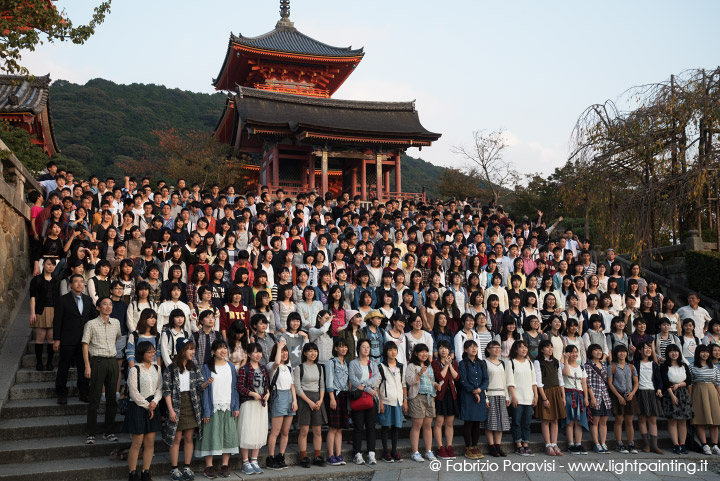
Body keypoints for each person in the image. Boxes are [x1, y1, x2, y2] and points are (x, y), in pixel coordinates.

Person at [163, 338, 211, 481]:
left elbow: (198, 386)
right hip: (177, 404)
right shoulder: (171, 369)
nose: (192, 352)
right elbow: (166, 391)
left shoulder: (194, 367)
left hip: (192, 404)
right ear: (182, 351)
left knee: (189, 437)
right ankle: (174, 469)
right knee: (176, 438)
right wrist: (171, 410)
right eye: (190, 349)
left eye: (193, 349)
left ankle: (187, 467)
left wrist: (206, 384)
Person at [194, 339, 239, 479]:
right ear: (213, 351)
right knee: (210, 436)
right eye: (219, 348)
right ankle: (209, 466)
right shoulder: (207, 367)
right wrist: (206, 410)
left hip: (227, 406)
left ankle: (225, 465)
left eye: (225, 348)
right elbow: (203, 390)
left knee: (228, 436)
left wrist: (235, 406)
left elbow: (234, 388)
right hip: (213, 407)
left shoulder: (231, 367)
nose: (223, 351)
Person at [82, 296, 122, 445]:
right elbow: (85, 344)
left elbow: (117, 338)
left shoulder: (116, 323)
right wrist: (87, 365)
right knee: (94, 399)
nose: (108, 306)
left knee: (112, 398)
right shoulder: (91, 324)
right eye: (104, 304)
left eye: (110, 304)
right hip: (97, 361)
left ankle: (108, 431)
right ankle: (90, 433)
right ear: (98, 307)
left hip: (112, 361)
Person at [54, 274, 97, 405]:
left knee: (83, 366)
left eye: (81, 282)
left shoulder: (88, 300)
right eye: (76, 281)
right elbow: (57, 321)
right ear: (70, 284)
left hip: (84, 340)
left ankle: (84, 392)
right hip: (67, 339)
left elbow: (93, 319)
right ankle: (61, 393)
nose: (79, 284)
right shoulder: (63, 300)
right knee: (63, 367)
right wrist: (56, 339)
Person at [122, 341, 162, 481]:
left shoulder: (157, 368)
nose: (152, 354)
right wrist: (147, 405)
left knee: (150, 442)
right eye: (149, 352)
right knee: (137, 442)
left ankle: (146, 471)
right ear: (142, 353)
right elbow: (133, 392)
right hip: (138, 406)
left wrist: (155, 402)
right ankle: (132, 473)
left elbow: (160, 388)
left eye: (153, 352)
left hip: (153, 404)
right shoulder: (135, 369)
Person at [237, 342, 270, 475]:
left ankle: (254, 460)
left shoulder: (263, 368)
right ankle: (245, 461)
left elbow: (266, 384)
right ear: (249, 354)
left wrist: (267, 393)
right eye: (255, 352)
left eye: (259, 352)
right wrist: (252, 394)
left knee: (258, 431)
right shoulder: (244, 369)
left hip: (261, 404)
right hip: (249, 403)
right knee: (247, 431)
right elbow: (240, 387)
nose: (258, 355)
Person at [293, 342, 327, 468]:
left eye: (315, 351)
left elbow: (322, 385)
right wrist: (309, 401)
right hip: (304, 399)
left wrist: (321, 399)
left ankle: (317, 456)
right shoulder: (299, 368)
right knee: (304, 430)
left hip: (318, 399)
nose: (313, 353)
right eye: (310, 351)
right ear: (305, 353)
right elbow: (297, 387)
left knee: (318, 430)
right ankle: (303, 457)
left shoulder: (320, 368)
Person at [266, 339, 298, 470]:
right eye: (282, 351)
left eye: (286, 351)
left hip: (289, 397)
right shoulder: (271, 365)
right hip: (278, 396)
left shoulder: (289, 366)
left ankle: (281, 455)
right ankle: (270, 457)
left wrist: (295, 400)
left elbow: (292, 385)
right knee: (275, 431)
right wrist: (279, 346)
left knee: (286, 431)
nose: (285, 353)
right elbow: (277, 362)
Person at [533, 339, 566, 456]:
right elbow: (538, 381)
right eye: (547, 347)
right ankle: (548, 444)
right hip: (545, 392)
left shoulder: (556, 362)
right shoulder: (538, 362)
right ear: (542, 349)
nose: (550, 349)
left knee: (555, 419)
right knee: (546, 419)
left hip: (556, 391)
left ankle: (554, 443)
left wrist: (563, 396)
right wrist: (544, 398)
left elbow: (561, 380)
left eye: (551, 347)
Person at [406, 343, 438, 463]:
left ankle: (428, 451)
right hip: (417, 397)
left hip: (430, 397)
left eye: (426, 351)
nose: (424, 354)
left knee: (428, 425)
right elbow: (409, 381)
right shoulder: (411, 366)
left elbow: (432, 380)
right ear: (416, 353)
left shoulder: (429, 366)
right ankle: (415, 452)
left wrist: (436, 385)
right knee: (417, 425)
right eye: (421, 352)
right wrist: (419, 373)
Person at [506, 340, 538, 456]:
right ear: (515, 349)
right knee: (516, 422)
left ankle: (526, 444)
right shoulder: (511, 363)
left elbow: (534, 381)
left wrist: (536, 395)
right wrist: (513, 396)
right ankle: (518, 445)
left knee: (526, 423)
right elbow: (510, 382)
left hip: (529, 397)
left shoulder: (529, 363)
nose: (524, 349)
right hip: (517, 397)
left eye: (525, 347)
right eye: (521, 347)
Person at [377, 341, 407, 463]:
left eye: (395, 349)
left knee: (396, 427)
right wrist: (380, 402)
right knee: (385, 427)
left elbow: (404, 384)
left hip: (398, 400)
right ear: (386, 352)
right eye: (390, 350)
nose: (393, 352)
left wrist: (405, 400)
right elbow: (377, 386)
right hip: (386, 400)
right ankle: (385, 452)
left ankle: (394, 450)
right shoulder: (381, 366)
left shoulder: (401, 366)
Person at [458, 339, 488, 459]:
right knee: (469, 422)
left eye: (475, 347)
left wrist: (480, 390)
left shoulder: (481, 363)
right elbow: (463, 380)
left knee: (477, 422)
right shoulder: (462, 363)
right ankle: (468, 447)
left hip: (480, 395)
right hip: (467, 395)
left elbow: (486, 379)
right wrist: (473, 391)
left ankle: (475, 446)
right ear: (465, 350)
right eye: (470, 347)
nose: (474, 349)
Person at [660, 344, 693, 454]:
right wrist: (672, 395)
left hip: (683, 392)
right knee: (672, 420)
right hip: (670, 393)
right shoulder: (664, 366)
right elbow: (665, 381)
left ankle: (683, 444)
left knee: (683, 420)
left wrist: (679, 385)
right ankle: (676, 444)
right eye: (671, 351)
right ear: (668, 353)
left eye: (676, 351)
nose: (674, 353)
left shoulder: (683, 365)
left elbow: (688, 380)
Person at [632, 341, 664, 454]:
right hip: (640, 392)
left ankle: (654, 446)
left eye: (650, 348)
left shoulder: (654, 364)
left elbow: (658, 379)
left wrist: (659, 389)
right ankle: (646, 445)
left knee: (653, 420)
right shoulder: (635, 363)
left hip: (652, 392)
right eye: (646, 348)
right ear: (640, 350)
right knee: (642, 419)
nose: (648, 350)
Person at [30, 257, 60, 371]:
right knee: (40, 338)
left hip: (54, 310)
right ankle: (39, 363)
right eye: (48, 264)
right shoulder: (36, 280)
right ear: (43, 265)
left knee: (51, 338)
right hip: (40, 310)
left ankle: (49, 363)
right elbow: (32, 297)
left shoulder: (57, 280)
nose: (51, 266)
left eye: (53, 265)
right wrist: (32, 313)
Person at [607, 344, 639, 454]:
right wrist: (618, 396)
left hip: (629, 395)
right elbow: (610, 384)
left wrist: (632, 394)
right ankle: (619, 443)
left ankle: (631, 443)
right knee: (619, 420)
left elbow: (636, 382)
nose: (622, 354)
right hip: (617, 395)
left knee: (629, 421)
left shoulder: (631, 366)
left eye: (624, 351)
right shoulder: (612, 366)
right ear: (616, 354)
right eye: (620, 352)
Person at [431, 339, 459, 460]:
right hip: (440, 396)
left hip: (451, 395)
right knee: (438, 422)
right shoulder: (434, 363)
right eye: (441, 348)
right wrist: (447, 365)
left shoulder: (454, 362)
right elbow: (439, 376)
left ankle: (449, 446)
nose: (443, 350)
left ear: (449, 350)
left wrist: (450, 365)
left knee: (449, 423)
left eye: (446, 348)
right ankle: (440, 447)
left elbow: (457, 377)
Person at [689, 344, 720, 455]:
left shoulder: (714, 367)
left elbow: (717, 383)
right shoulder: (692, 366)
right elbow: (691, 383)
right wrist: (690, 398)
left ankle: (715, 445)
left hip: (712, 392)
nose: (705, 354)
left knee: (715, 421)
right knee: (700, 420)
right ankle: (704, 444)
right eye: (702, 352)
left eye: (707, 352)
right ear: (698, 353)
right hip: (698, 392)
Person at [325, 338, 350, 466]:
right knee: (333, 427)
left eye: (345, 347)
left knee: (340, 428)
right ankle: (330, 455)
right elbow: (329, 381)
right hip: (335, 394)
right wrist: (332, 398)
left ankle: (339, 454)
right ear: (335, 348)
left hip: (344, 395)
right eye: (340, 347)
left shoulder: (346, 363)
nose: (343, 349)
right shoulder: (331, 363)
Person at [561, 344, 589, 455]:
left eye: (576, 352)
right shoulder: (563, 366)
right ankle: (570, 444)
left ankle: (578, 443)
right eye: (572, 352)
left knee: (579, 421)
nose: (574, 354)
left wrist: (586, 397)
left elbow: (584, 384)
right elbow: (566, 373)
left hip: (580, 395)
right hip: (568, 395)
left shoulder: (581, 367)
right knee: (570, 421)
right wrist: (566, 359)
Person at [585, 344, 611, 454]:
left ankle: (603, 442)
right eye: (596, 350)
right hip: (595, 396)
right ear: (591, 352)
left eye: (600, 350)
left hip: (605, 396)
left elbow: (606, 381)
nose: (598, 352)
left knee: (604, 420)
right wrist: (592, 398)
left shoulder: (604, 365)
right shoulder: (588, 366)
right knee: (595, 421)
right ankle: (596, 443)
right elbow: (588, 383)